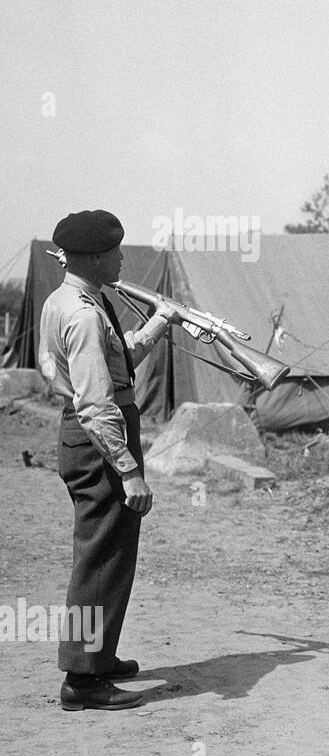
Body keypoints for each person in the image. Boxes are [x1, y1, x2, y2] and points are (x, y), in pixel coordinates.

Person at [37, 210, 185, 711]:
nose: (124, 257)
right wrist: (129, 469)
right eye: (118, 251)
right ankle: (83, 681)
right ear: (97, 256)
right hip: (101, 436)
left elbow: (116, 366)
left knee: (112, 553)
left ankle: (98, 656)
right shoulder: (82, 313)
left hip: (95, 431)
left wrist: (161, 324)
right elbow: (97, 403)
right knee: (101, 557)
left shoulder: (77, 299)